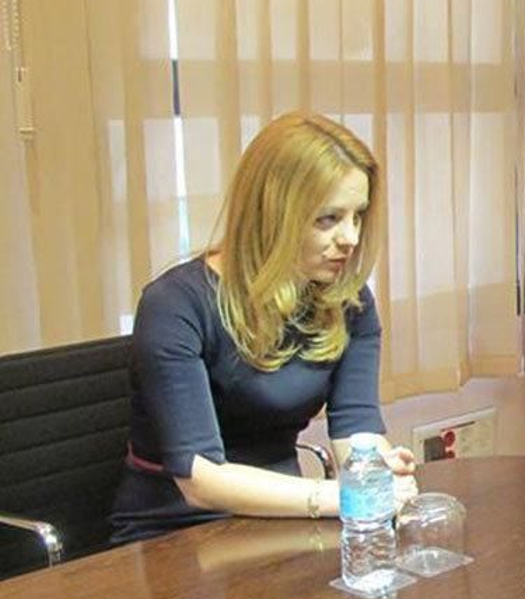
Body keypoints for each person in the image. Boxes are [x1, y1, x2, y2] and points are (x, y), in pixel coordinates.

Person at [112, 112, 416, 542]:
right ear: (272, 214)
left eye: (357, 216)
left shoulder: (349, 302)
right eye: (328, 219)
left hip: (285, 523)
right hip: (175, 531)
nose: (350, 238)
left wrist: (379, 470)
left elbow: (356, 428)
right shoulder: (175, 304)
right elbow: (200, 479)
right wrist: (340, 496)